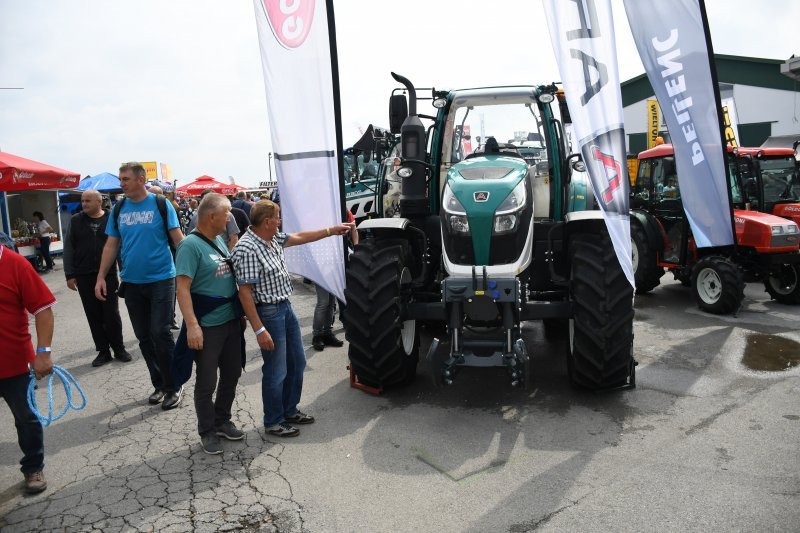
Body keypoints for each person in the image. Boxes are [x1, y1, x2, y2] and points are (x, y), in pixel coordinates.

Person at [232, 200, 353, 437]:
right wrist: (259, 330)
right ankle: (274, 421)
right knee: (276, 370)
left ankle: (289, 410)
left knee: (296, 362)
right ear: (267, 222)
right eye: (277, 217)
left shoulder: (271, 237)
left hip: (284, 308)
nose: (280, 221)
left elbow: (300, 237)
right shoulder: (247, 248)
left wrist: (331, 231)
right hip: (269, 313)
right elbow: (244, 293)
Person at [94, 162, 185, 409]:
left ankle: (174, 385)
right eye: (121, 179)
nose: (121, 183)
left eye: (125, 179)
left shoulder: (161, 204)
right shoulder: (118, 208)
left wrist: (191, 273)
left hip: (162, 279)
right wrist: (101, 276)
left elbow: (179, 240)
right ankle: (159, 384)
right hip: (132, 283)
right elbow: (112, 245)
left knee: (160, 332)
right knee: (144, 337)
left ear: (141, 179)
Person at [175, 193, 245, 454]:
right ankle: (207, 430)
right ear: (212, 216)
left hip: (230, 321)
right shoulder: (190, 246)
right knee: (206, 382)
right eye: (227, 213)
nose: (230, 217)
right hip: (207, 325)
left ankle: (221, 420)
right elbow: (182, 289)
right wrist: (192, 325)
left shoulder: (218, 239)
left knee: (232, 373)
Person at [0, 245, 55, 493]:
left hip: (13, 363)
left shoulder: (15, 264)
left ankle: (33, 466)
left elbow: (43, 309)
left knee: (26, 418)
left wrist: (43, 352)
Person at [64, 190, 131, 367]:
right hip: (84, 274)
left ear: (99, 202)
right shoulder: (76, 220)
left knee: (111, 313)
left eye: (87, 201)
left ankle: (119, 348)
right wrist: (69, 274)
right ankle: (103, 351)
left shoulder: (111, 218)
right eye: (82, 200)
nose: (83, 204)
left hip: (108, 275)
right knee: (93, 314)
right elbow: (69, 247)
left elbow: (119, 247)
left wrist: (124, 272)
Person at [312, 210, 358, 350]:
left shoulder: (344, 210)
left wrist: (356, 248)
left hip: (335, 262)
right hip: (321, 262)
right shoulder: (321, 211)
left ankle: (326, 332)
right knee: (324, 301)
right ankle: (317, 335)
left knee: (331, 302)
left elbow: (353, 228)